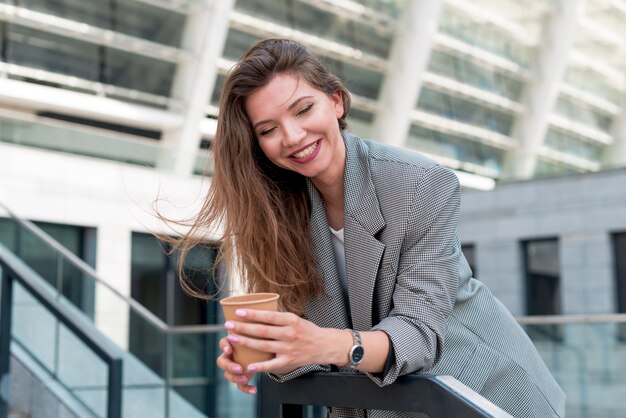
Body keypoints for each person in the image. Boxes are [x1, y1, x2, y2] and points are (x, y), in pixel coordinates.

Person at [177, 38, 565, 417]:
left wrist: (316, 344)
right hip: (386, 405)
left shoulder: (421, 185)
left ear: (336, 101)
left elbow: (416, 334)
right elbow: (313, 342)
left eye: (303, 109)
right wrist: (271, 353)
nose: (292, 136)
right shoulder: (276, 212)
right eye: (268, 130)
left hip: (481, 395)